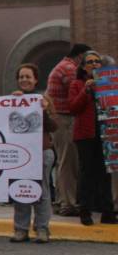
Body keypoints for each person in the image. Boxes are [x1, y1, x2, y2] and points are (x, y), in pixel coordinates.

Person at [67, 51, 117, 226]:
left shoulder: (107, 84)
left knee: (106, 174)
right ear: (83, 67)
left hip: (106, 133)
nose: (94, 64)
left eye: (97, 61)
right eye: (90, 62)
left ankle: (108, 212)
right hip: (85, 135)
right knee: (87, 173)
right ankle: (85, 211)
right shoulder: (76, 84)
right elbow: (73, 108)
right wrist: (85, 90)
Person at [10, 64, 57, 243]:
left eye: (28, 77)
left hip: (42, 152)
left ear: (35, 79)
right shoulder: (11, 100)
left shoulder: (43, 100)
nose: (24, 80)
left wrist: (43, 110)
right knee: (20, 189)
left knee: (42, 191)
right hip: (20, 154)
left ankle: (42, 228)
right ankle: (21, 229)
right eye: (21, 77)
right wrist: (12, 104)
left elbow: (54, 126)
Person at [47, 43, 91, 216]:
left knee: (62, 162)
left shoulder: (61, 66)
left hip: (59, 119)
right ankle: (69, 203)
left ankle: (61, 201)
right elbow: (78, 89)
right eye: (88, 59)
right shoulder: (69, 69)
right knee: (68, 162)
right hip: (65, 119)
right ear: (80, 56)